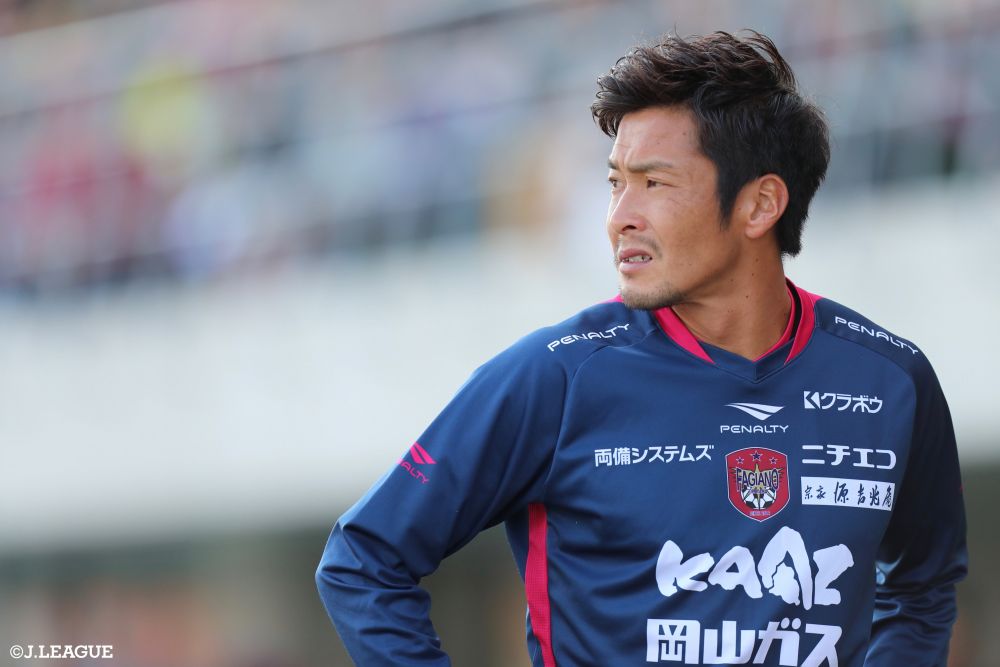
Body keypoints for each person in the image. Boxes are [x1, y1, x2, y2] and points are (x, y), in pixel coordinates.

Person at [316, 30, 967, 666]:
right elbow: (363, 560)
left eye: (654, 184)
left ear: (760, 204)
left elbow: (924, 585)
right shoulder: (556, 377)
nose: (619, 217)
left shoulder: (892, 380)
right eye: (615, 183)